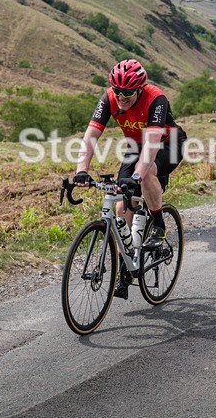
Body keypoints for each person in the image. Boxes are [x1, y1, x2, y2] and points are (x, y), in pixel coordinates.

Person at [73, 59, 187, 299]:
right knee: (121, 207)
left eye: (127, 92)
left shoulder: (156, 99)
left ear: (139, 89)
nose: (121, 97)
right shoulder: (109, 99)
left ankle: (158, 225)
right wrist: (81, 169)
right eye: (117, 91)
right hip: (136, 146)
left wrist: (136, 176)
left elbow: (152, 147)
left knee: (146, 176)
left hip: (169, 144)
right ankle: (124, 266)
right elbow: (90, 136)